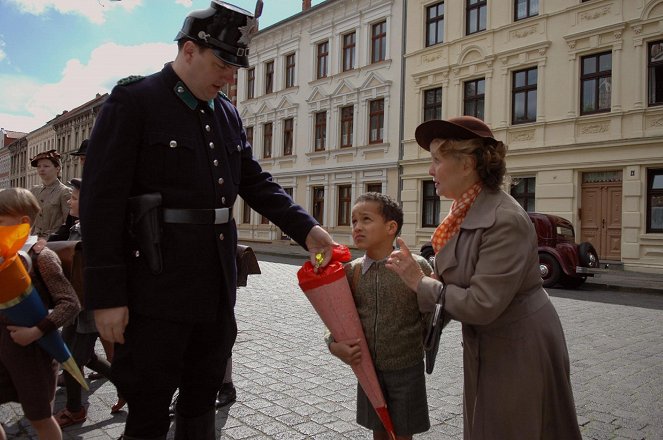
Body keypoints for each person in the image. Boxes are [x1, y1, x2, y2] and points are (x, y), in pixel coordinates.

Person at [79, 2, 335, 439]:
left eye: (236, 67)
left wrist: (306, 229)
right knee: (149, 409)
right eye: (221, 63)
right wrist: (106, 296)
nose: (230, 77)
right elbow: (101, 203)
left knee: (201, 402)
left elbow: (253, 181)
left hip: (214, 288)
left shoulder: (227, 113)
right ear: (189, 51)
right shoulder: (135, 101)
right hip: (152, 288)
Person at [387, 116, 582, 439]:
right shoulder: (463, 212)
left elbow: (481, 303)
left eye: (437, 160)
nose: (430, 170)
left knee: (513, 428)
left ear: (467, 164)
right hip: (493, 343)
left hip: (520, 345)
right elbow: (460, 282)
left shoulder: (504, 219)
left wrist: (420, 282)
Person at [326, 193, 432, 440]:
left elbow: (434, 317)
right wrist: (334, 345)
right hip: (368, 370)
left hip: (406, 370)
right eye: (354, 221)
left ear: (390, 227)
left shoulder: (415, 266)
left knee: (403, 434)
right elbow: (334, 318)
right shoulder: (351, 271)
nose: (357, 227)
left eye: (366, 219)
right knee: (379, 431)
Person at [0, 188, 81, 440]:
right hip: (2, 348)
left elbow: (70, 304)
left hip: (33, 354)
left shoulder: (41, 256)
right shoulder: (3, 254)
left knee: (40, 418)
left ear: (23, 222)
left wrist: (36, 331)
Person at [53, 178, 125, 429]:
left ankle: (75, 410)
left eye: (73, 198)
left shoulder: (96, 230)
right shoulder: (78, 225)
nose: (70, 201)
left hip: (90, 307)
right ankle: (127, 386)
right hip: (76, 305)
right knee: (81, 355)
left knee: (72, 360)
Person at [29, 150, 71, 240]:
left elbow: (68, 224)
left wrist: (50, 237)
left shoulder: (64, 192)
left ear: (57, 168)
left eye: (46, 166)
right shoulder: (34, 191)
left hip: (53, 242)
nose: (41, 169)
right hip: (33, 241)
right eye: (39, 166)